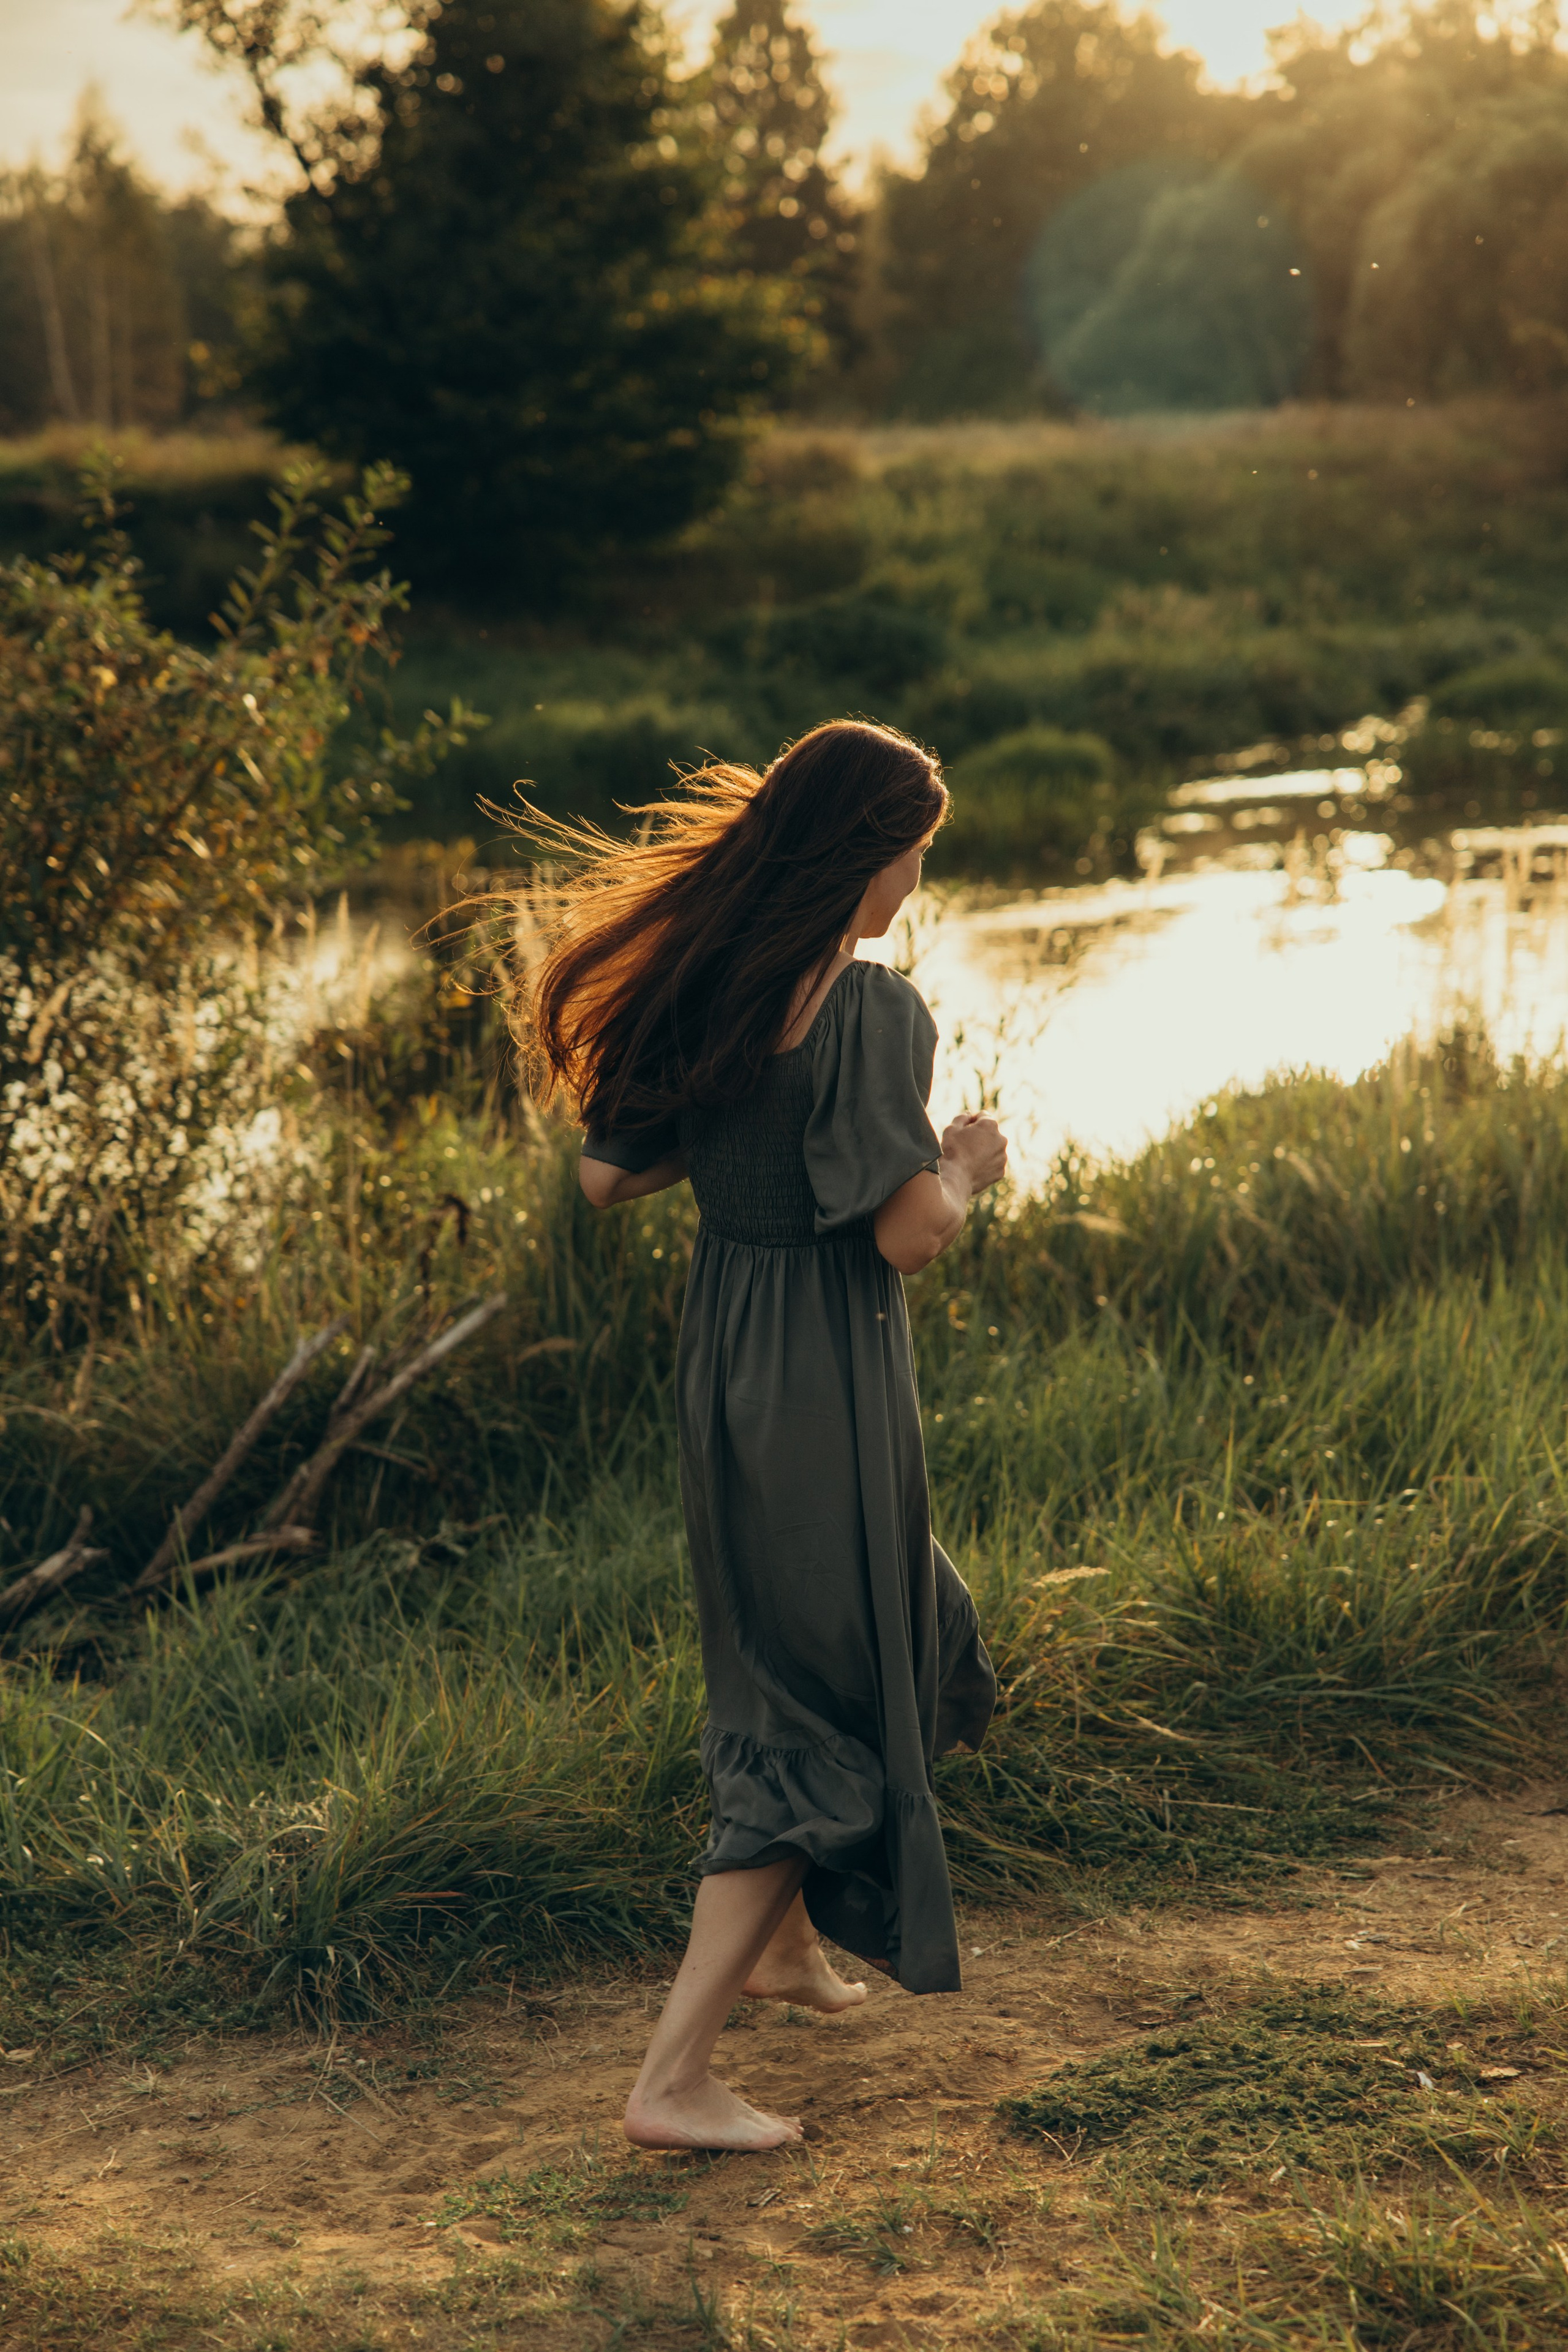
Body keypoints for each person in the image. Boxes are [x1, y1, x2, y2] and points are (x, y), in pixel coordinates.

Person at [527, 718, 1008, 2152]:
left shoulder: (709, 984)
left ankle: (788, 1946)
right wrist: (968, 1167)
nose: (917, 878)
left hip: (726, 1358)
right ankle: (670, 2081)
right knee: (810, 1698)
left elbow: (609, 1179)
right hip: (821, 1368)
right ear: (870, 850)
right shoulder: (868, 1012)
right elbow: (911, 1238)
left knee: (907, 1621)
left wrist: (748, 1138)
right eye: (916, 849)